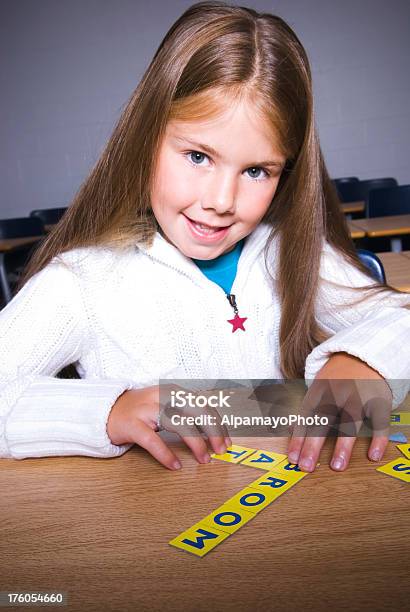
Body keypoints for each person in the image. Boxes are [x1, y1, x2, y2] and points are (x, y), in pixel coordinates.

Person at [1, 1, 409, 472]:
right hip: (150, 528)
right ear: (146, 137)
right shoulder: (81, 281)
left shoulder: (292, 252)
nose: (221, 199)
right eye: (198, 156)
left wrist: (366, 361)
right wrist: (106, 410)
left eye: (256, 170)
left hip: (295, 524)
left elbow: (399, 317)